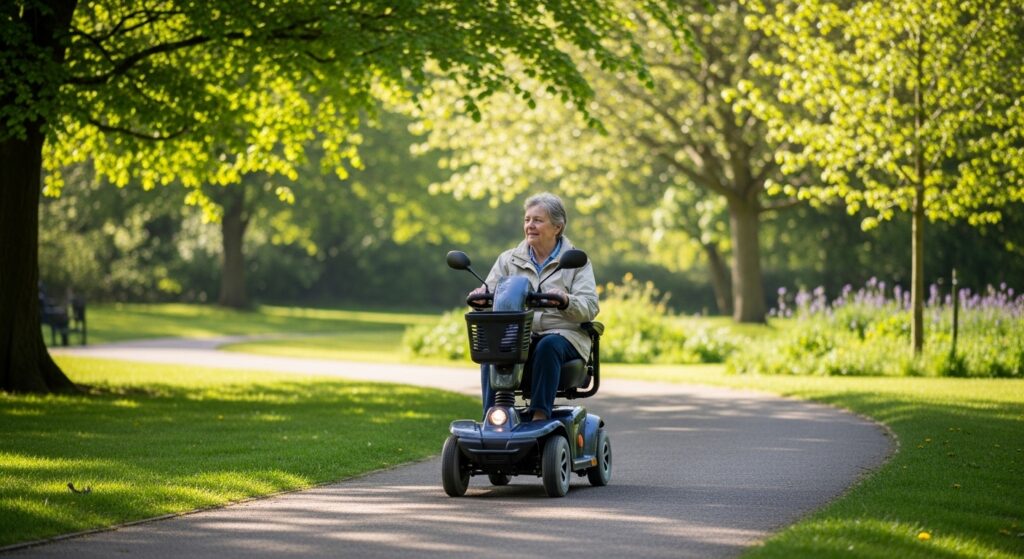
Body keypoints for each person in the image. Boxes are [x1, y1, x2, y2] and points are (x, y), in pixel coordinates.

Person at [469, 192, 599, 421]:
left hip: (564, 335)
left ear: (557, 227)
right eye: (527, 219)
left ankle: (539, 415)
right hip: (520, 335)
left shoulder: (576, 262)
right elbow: (490, 296)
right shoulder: (508, 260)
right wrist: (481, 301)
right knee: (493, 349)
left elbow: (589, 306)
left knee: (548, 344)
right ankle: (492, 417)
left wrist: (566, 301)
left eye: (538, 220)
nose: (530, 225)